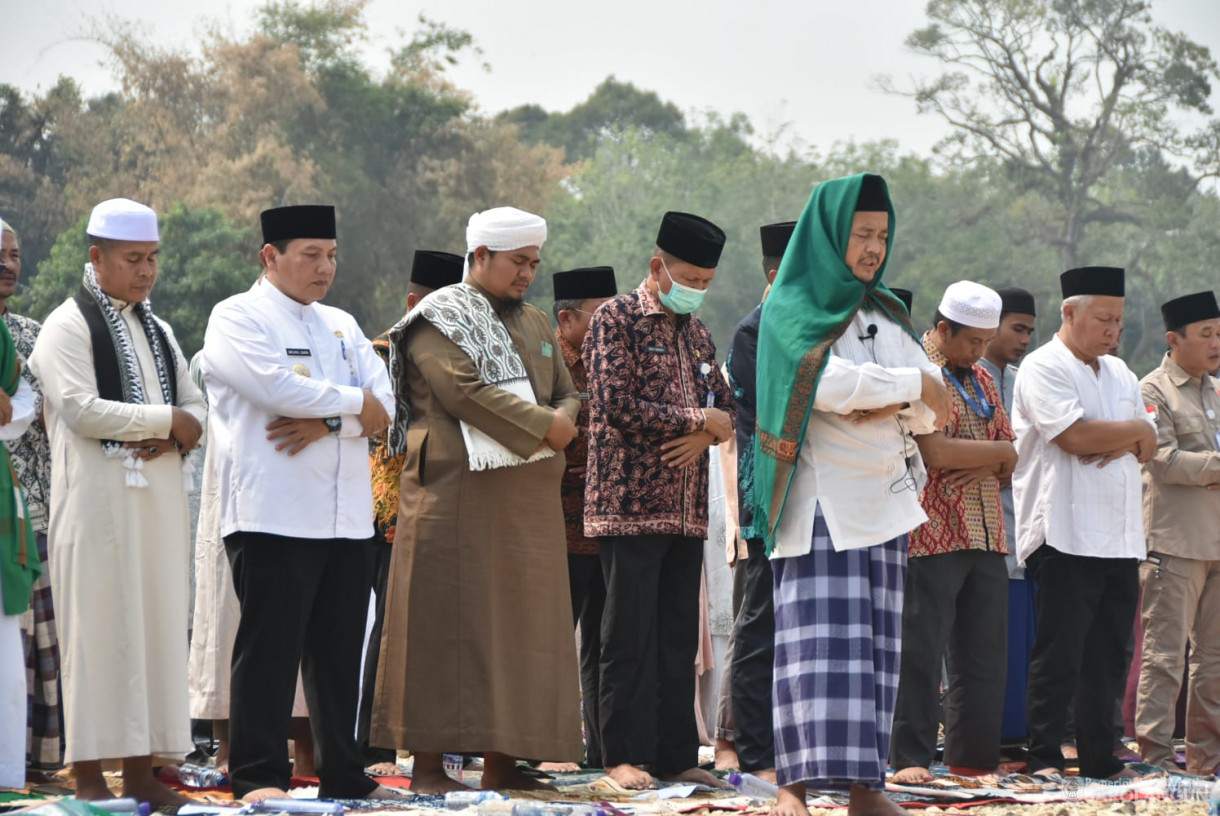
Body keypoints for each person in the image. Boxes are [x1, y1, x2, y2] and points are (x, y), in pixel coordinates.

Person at [751, 174, 952, 816]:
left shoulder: (887, 310)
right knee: (813, 655)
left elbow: (934, 412)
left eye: (882, 235)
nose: (873, 247)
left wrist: (892, 392)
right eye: (862, 234)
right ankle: (793, 789)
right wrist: (908, 385)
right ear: (832, 235)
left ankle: (868, 791)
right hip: (820, 508)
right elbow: (831, 389)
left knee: (875, 658)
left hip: (886, 504)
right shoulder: (791, 307)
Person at [372, 207, 583, 793]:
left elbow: (568, 390)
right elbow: (463, 392)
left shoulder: (538, 323)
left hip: (525, 499)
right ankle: (430, 770)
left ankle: (504, 765)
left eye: (534, 264)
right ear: (481, 256)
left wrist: (560, 418)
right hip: (452, 495)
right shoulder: (438, 318)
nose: (527, 274)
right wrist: (548, 425)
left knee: (524, 629)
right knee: (442, 625)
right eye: (518, 262)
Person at [201, 204, 396, 803]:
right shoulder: (237, 317)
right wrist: (348, 407)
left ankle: (345, 773)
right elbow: (274, 387)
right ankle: (258, 775)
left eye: (331, 255)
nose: (325, 268)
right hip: (273, 514)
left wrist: (328, 422)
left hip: (346, 520)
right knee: (270, 650)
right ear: (270, 256)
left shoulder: (341, 323)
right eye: (310, 255)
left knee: (339, 654)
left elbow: (385, 405)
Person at [28, 198, 207, 804]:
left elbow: (197, 408)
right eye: (134, 259)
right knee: (99, 638)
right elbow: (80, 408)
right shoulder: (66, 326)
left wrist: (179, 425)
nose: (147, 270)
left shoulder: (159, 330)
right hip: (97, 511)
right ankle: (87, 781)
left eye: (153, 258)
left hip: (155, 513)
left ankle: (140, 778)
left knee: (153, 636)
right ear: (96, 258)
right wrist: (166, 421)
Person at [583, 211, 736, 791]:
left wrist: (708, 431)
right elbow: (614, 403)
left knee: (677, 639)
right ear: (657, 266)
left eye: (706, 280)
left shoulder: (697, 332)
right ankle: (619, 753)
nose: (696, 289)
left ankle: (675, 754)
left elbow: (731, 406)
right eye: (689, 276)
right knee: (627, 635)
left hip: (686, 509)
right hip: (627, 506)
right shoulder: (614, 319)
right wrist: (701, 418)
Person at [1011, 266, 1156, 781]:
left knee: (1109, 657)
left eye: (1118, 319)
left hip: (1120, 537)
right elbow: (1072, 437)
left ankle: (1101, 758)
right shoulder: (1042, 367)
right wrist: (1128, 434)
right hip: (1064, 532)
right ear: (1069, 312)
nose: (1113, 329)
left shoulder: (1121, 374)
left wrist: (1124, 434)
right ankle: (1044, 757)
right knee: (1059, 653)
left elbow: (1149, 442)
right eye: (1103, 318)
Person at [890, 282, 1016, 783]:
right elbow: (935, 452)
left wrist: (994, 455)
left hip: (986, 531)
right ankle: (910, 759)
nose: (980, 351)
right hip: (931, 531)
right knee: (920, 652)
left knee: (983, 655)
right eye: (971, 341)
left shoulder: (983, 378)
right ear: (943, 329)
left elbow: (1013, 453)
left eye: (986, 341)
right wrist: (996, 454)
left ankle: (972, 760)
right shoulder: (919, 372)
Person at [361, 249, 464, 775]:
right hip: (392, 514)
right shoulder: (383, 351)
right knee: (389, 627)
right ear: (413, 302)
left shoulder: (456, 355)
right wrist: (393, 514)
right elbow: (381, 444)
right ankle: (373, 744)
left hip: (443, 507)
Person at [1135, 290, 1220, 775]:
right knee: (1164, 658)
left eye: (1219, 334)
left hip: (1216, 545)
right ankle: (1156, 760)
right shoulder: (1151, 391)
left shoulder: (1215, 389)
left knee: (1213, 662)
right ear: (1174, 339)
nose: (1215, 344)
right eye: (1205, 335)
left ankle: (1206, 764)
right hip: (1175, 544)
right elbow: (1160, 460)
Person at [723, 220, 796, 784]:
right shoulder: (755, 332)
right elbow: (775, 418)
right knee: (761, 624)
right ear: (777, 272)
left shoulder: (806, 325)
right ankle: (753, 751)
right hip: (766, 498)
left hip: (810, 498)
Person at [0, 219, 61, 777]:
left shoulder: (33, 336)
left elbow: (45, 413)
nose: (9, 265)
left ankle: (32, 765)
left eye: (15, 254)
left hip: (29, 513)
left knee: (37, 654)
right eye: (0, 256)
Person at [551, 265, 618, 770]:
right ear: (566, 319)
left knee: (603, 646)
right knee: (551, 644)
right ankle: (544, 747)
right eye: (599, 316)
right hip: (559, 529)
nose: (609, 324)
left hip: (609, 532)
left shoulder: (613, 361)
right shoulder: (550, 364)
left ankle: (601, 750)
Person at [978, 288, 1038, 744]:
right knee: (985, 645)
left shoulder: (1026, 381)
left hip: (1028, 531)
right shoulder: (966, 378)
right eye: (1016, 328)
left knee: (1023, 642)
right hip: (977, 530)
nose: (1023, 340)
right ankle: (986, 737)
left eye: (1029, 332)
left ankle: (1016, 735)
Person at [0, 217, 40, 788]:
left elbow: (24, 398)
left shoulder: (9, 334)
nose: (6, 264)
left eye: (11, 253)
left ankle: (7, 772)